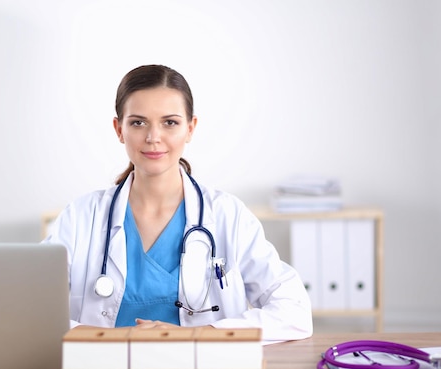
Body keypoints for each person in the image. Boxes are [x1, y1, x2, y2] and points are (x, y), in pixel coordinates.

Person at [43, 64, 312, 341]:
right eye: (138, 122)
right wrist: (116, 338)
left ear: (190, 128)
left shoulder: (227, 215)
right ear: (119, 129)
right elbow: (30, 311)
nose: (153, 137)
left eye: (169, 122)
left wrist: (197, 335)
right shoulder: (80, 218)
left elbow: (294, 311)